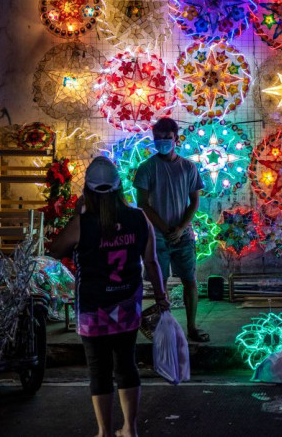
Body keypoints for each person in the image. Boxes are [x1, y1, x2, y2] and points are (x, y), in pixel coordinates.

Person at [50, 157, 170, 437]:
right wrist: (162, 297)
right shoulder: (140, 218)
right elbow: (151, 263)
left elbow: (56, 250)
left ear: (88, 191)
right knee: (126, 364)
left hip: (93, 310)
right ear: (119, 188)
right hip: (127, 305)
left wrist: (77, 214)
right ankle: (130, 428)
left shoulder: (82, 223)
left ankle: (104, 431)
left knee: (99, 369)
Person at [134, 117, 208, 343]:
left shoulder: (188, 167)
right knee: (161, 284)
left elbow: (194, 202)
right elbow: (142, 204)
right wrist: (166, 229)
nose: (163, 142)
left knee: (190, 281)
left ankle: (192, 328)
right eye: (158, 139)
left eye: (167, 138)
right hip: (156, 237)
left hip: (182, 236)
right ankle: (165, 329)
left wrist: (180, 228)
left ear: (176, 138)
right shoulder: (146, 168)